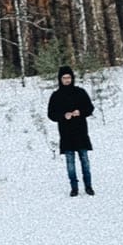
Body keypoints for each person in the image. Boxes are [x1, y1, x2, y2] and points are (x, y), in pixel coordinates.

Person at [47, 65, 95, 196]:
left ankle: (88, 186)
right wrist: (63, 116)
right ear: (60, 79)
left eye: (69, 77)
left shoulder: (80, 92)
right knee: (70, 162)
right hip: (66, 133)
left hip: (81, 132)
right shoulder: (56, 96)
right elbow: (51, 114)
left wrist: (80, 112)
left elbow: (90, 108)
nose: (67, 80)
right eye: (64, 78)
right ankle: (74, 187)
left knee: (84, 160)